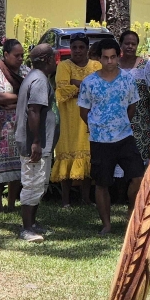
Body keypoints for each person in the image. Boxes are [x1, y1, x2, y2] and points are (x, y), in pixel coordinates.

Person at [78, 38, 141, 235]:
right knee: (102, 183)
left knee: (139, 177)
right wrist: (97, 127)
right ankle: (106, 224)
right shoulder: (89, 82)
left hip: (125, 137)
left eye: (113, 57)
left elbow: (132, 105)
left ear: (118, 56)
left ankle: (131, 214)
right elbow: (83, 111)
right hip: (100, 140)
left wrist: (121, 122)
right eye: (105, 58)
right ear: (99, 59)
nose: (109, 61)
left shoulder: (128, 80)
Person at [51, 32, 100, 207]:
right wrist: (85, 85)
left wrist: (76, 82)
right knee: (66, 154)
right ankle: (65, 200)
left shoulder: (96, 65)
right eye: (74, 47)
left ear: (87, 49)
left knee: (87, 157)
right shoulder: (64, 65)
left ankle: (86, 198)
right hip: (68, 120)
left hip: (89, 118)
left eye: (81, 47)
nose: (77, 51)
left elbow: (98, 88)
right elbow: (62, 90)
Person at [15, 44, 58, 242]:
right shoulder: (39, 80)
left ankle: (33, 223)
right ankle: (26, 228)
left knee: (38, 183)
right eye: (54, 57)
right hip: (35, 144)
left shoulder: (34, 77)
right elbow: (34, 111)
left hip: (40, 144)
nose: (56, 60)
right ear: (48, 59)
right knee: (32, 184)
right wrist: (36, 142)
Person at [0, 38, 27, 210]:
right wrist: (21, 97)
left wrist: (12, 100)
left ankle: (11, 203)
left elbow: (33, 91)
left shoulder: (25, 71)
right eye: (16, 55)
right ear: (6, 55)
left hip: (19, 124)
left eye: (22, 56)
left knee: (17, 164)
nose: (20, 59)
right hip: (0, 125)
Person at [117, 30, 150, 162]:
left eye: (133, 44)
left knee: (140, 160)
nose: (130, 47)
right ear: (120, 44)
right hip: (117, 122)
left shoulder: (146, 65)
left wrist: (149, 106)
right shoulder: (113, 65)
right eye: (127, 43)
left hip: (142, 123)